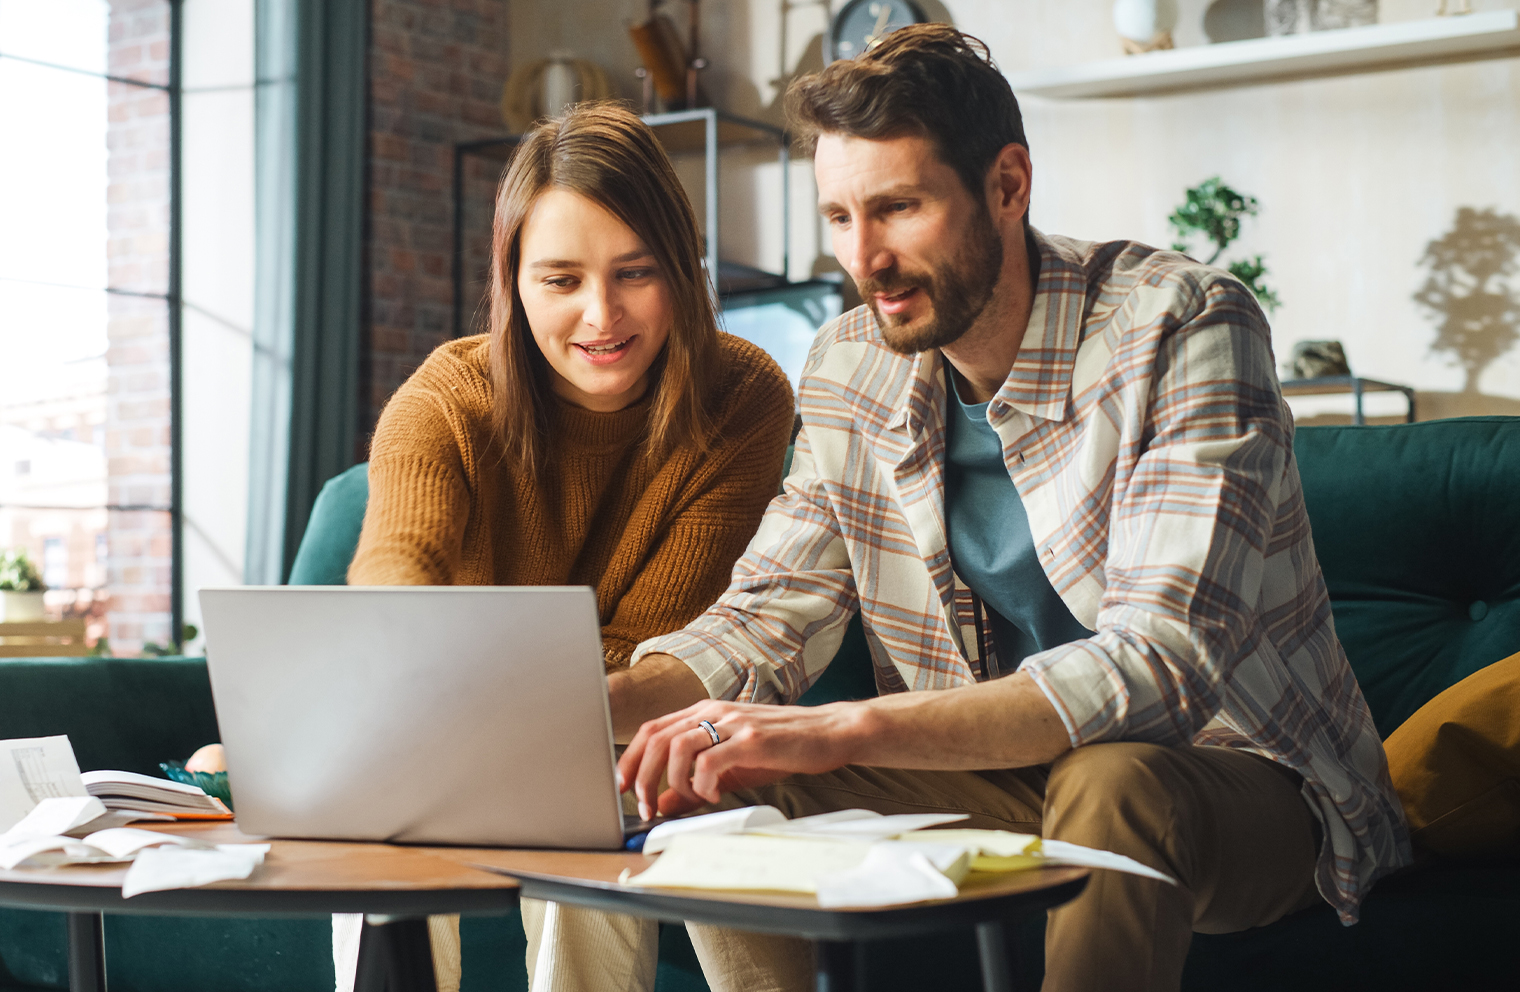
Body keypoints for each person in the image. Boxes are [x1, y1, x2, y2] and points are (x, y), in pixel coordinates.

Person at [608, 25, 1411, 992]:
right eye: (837, 217)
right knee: (715, 775)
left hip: (1236, 778)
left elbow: (1159, 668)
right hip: (989, 776)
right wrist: (578, 713)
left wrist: (850, 726)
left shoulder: (1183, 323)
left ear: (1007, 185)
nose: (865, 259)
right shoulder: (849, 364)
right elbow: (770, 612)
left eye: (898, 208)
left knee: (1110, 782)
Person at [340, 103, 794, 992]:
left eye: (635, 271)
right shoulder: (448, 400)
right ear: (512, 282)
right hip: (447, 734)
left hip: (614, 732)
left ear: (681, 268)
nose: (602, 315)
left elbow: (657, 655)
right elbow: (391, 601)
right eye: (560, 280)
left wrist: (502, 708)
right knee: (382, 802)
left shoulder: (741, 397)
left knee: (590, 791)